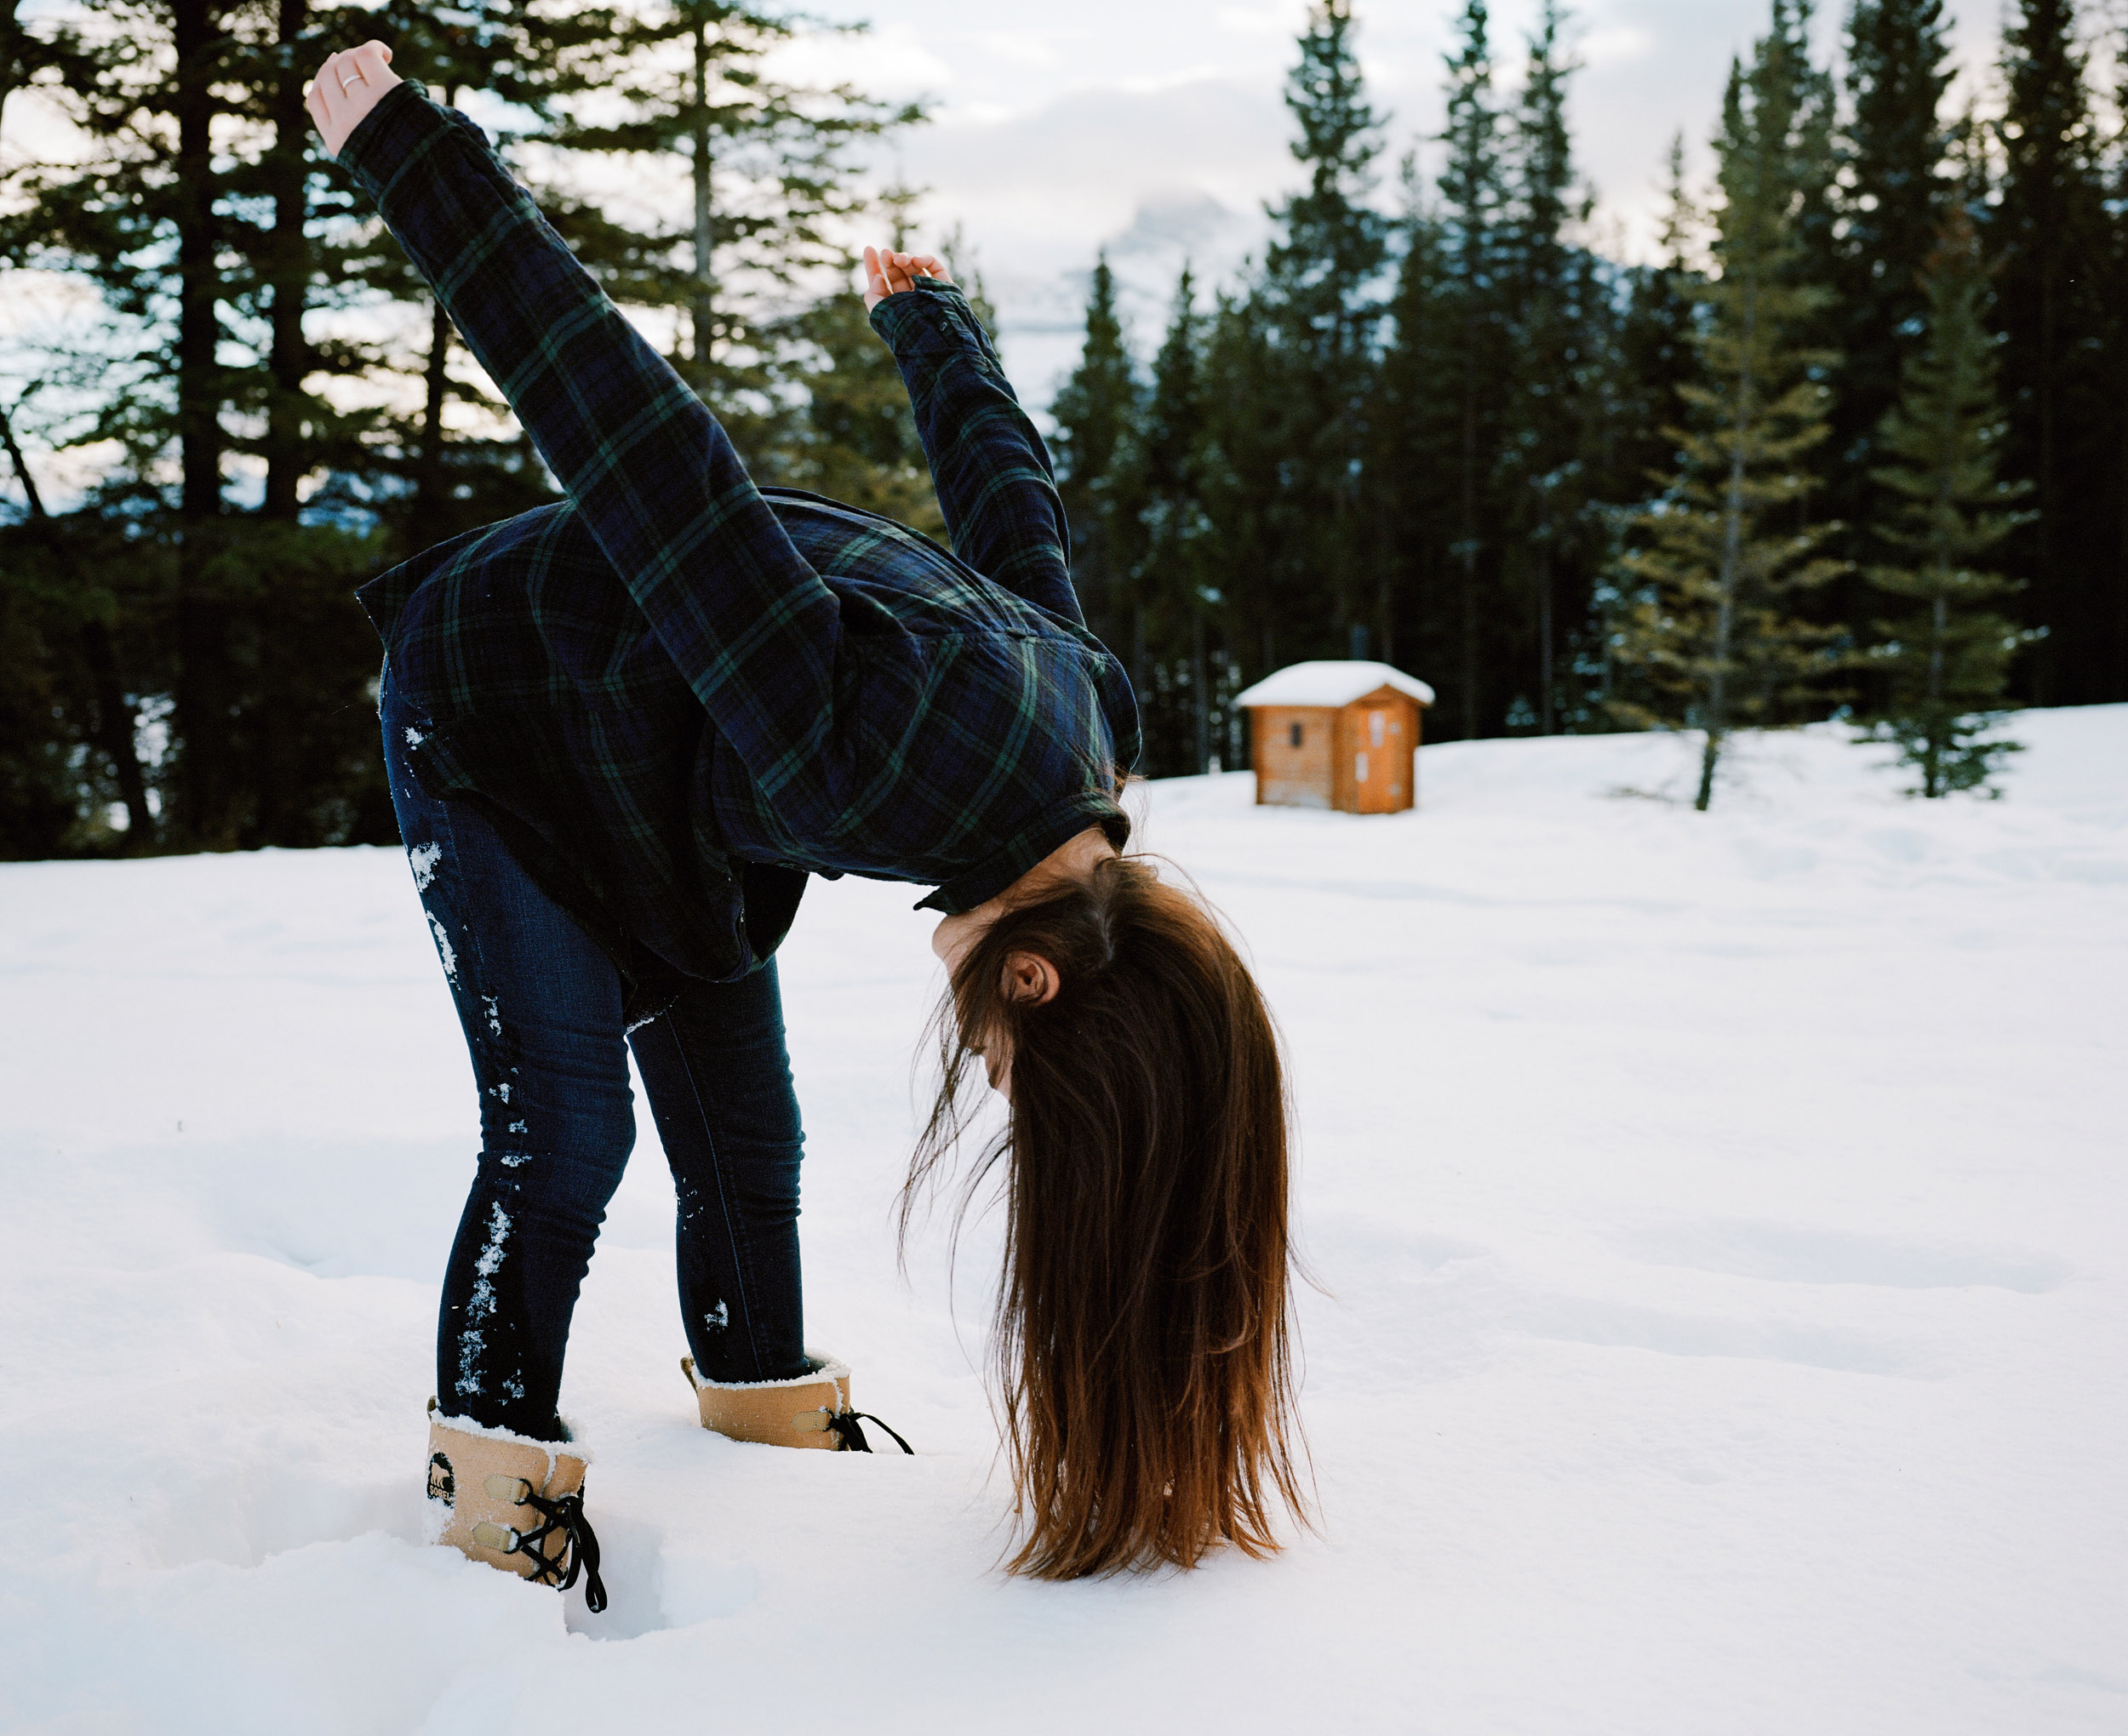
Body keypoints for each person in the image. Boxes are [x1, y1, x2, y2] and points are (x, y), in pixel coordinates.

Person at [306, 40, 1306, 1593]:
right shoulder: (866, 762)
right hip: (500, 703)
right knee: (566, 1131)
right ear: (1033, 974)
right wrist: (413, 162)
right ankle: (490, 1497)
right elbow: (644, 453)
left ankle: (766, 1418)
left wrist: (937, 334)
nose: (981, 1066)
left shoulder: (1087, 741)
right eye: (1004, 1068)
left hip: (670, 768)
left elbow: (1015, 524)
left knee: (748, 1134)